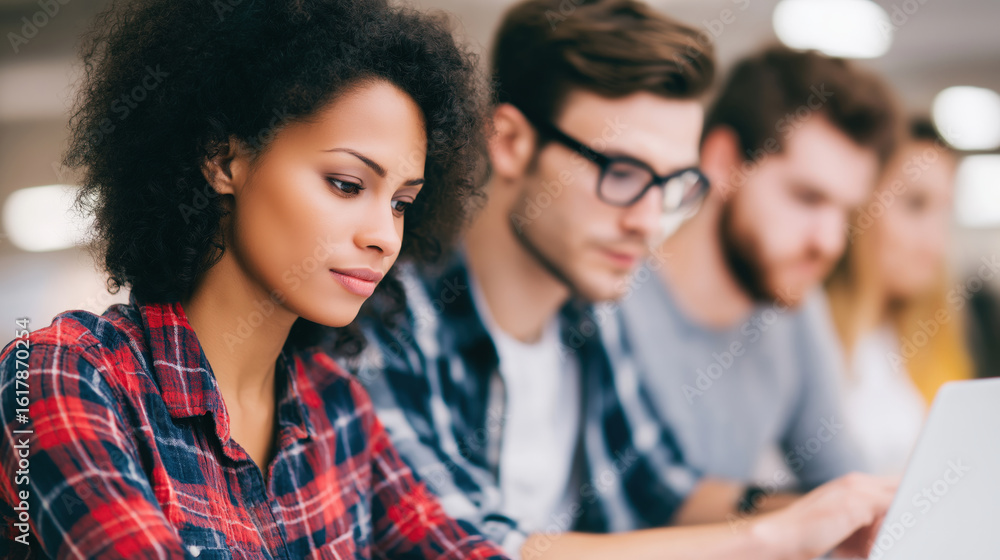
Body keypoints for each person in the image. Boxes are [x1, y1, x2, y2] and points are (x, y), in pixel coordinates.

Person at [347, 1, 897, 559]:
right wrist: (770, 539)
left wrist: (844, 511)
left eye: (671, 183)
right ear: (511, 142)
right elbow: (475, 551)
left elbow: (666, 493)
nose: (647, 220)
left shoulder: (589, 317)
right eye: (623, 173)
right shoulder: (387, 318)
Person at [0, 0, 507, 558]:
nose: (385, 235)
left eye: (403, 202)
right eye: (346, 183)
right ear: (223, 160)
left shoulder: (337, 405)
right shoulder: (64, 376)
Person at [616, 46, 902, 512]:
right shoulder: (612, 298)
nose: (830, 242)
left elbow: (841, 476)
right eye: (807, 197)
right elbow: (648, 506)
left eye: (846, 212)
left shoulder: (795, 305)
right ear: (725, 163)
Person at [826, 118, 974, 475]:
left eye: (944, 212)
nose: (935, 243)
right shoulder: (809, 335)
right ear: (857, 202)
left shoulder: (927, 342)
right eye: (915, 205)